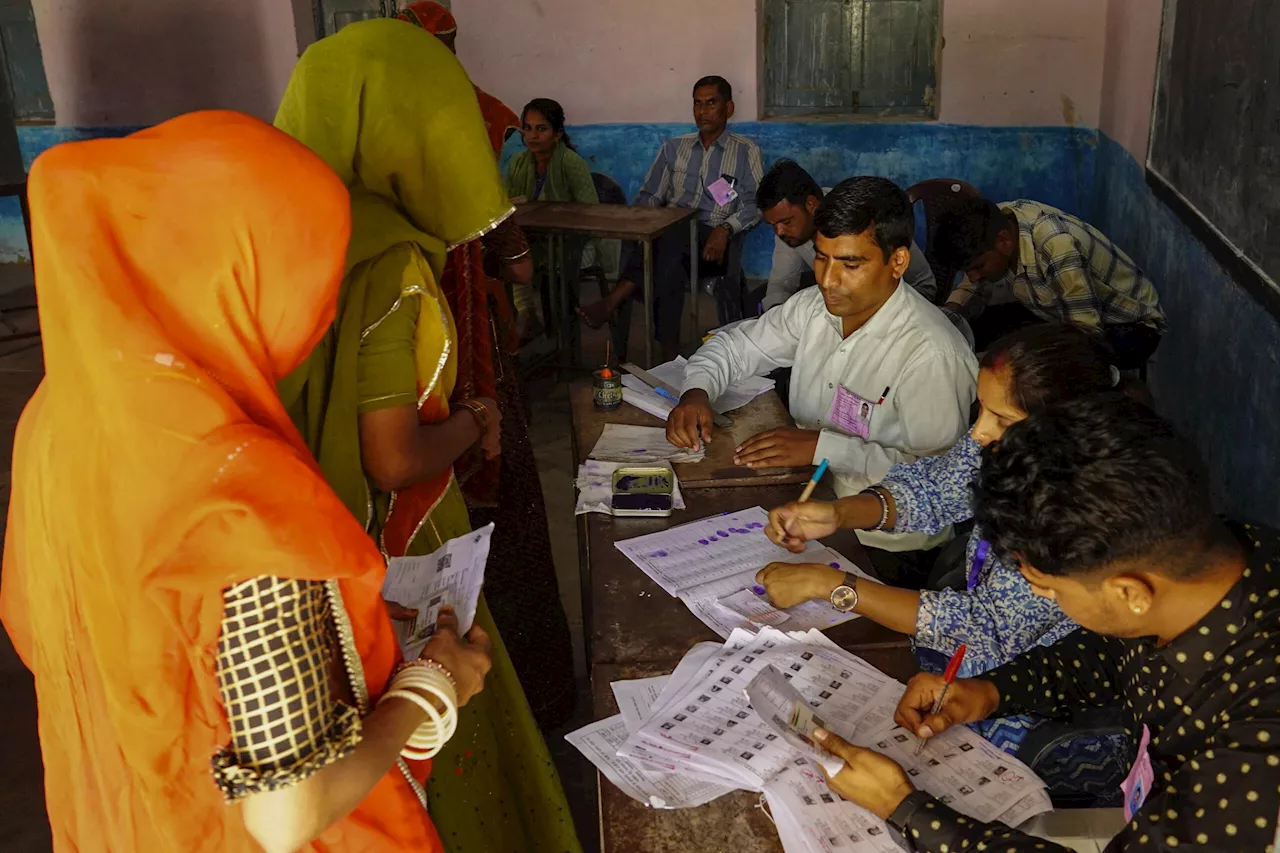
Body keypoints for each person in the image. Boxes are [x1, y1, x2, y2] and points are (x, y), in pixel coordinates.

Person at [0, 111, 494, 853]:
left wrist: (329, 634)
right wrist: (432, 686)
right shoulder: (241, 496)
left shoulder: (52, 419)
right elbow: (286, 811)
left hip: (119, 815)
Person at [274, 21, 581, 853]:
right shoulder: (395, 262)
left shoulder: (282, 237)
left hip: (301, 521)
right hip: (397, 525)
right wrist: (477, 420)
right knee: (440, 704)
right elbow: (394, 454)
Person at [808, 395, 1280, 852]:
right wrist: (992, 692)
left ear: (1130, 592)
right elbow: (1111, 654)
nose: (1040, 597)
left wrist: (905, 809)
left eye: (1050, 588)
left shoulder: (1259, 751)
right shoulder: (1220, 560)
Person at [757, 325, 1128, 800]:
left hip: (1035, 701)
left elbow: (987, 625)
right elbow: (939, 485)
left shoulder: (1087, 512)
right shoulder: (1015, 447)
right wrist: (838, 513)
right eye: (981, 409)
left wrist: (831, 585)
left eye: (1001, 418)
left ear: (1066, 424)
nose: (979, 432)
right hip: (965, 670)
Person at [395, 11, 578, 729]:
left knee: (431, 523)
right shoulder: (467, 115)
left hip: (419, 357)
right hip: (461, 361)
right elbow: (510, 241)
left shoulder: (362, 143)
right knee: (492, 502)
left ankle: (439, 684)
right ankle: (518, 691)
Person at [668, 176, 977, 581]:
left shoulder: (931, 353)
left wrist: (824, 446)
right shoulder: (815, 309)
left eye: (850, 264)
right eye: (822, 257)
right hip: (809, 506)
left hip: (886, 545)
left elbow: (939, 480)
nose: (828, 279)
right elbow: (736, 346)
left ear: (897, 262)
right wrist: (697, 390)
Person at [576, 75, 765, 361]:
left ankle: (616, 300)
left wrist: (726, 229)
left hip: (712, 246)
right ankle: (670, 351)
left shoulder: (745, 151)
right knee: (670, 251)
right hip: (671, 239)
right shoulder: (674, 148)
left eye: (711, 103)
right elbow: (649, 196)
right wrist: (645, 222)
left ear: (729, 108)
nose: (703, 111)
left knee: (671, 238)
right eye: (697, 104)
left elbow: (756, 203)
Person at [935, 196, 1166, 367]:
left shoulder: (1057, 246)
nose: (974, 277)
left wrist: (1016, 360)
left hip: (1127, 326)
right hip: (1060, 310)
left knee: (1034, 368)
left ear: (1004, 242)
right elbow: (973, 287)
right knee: (982, 329)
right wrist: (949, 315)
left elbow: (1086, 333)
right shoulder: (999, 222)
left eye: (978, 267)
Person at [759, 159, 936, 310]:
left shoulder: (859, 218)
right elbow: (781, 284)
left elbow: (922, 286)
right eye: (773, 224)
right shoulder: (789, 230)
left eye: (786, 222)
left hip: (910, 299)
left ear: (811, 205)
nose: (779, 231)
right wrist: (776, 318)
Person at [506, 97, 600, 342]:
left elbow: (592, 212)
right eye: (527, 128)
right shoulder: (518, 163)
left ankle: (562, 343)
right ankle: (526, 316)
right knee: (505, 256)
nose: (532, 136)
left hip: (573, 242)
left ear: (557, 134)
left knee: (547, 266)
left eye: (541, 129)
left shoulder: (571, 163)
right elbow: (506, 204)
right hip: (534, 241)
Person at [396, 1, 521, 152]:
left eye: (454, 41)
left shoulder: (455, 84)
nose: (454, 50)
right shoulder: (396, 94)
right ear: (423, 45)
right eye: (447, 43)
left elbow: (498, 119)